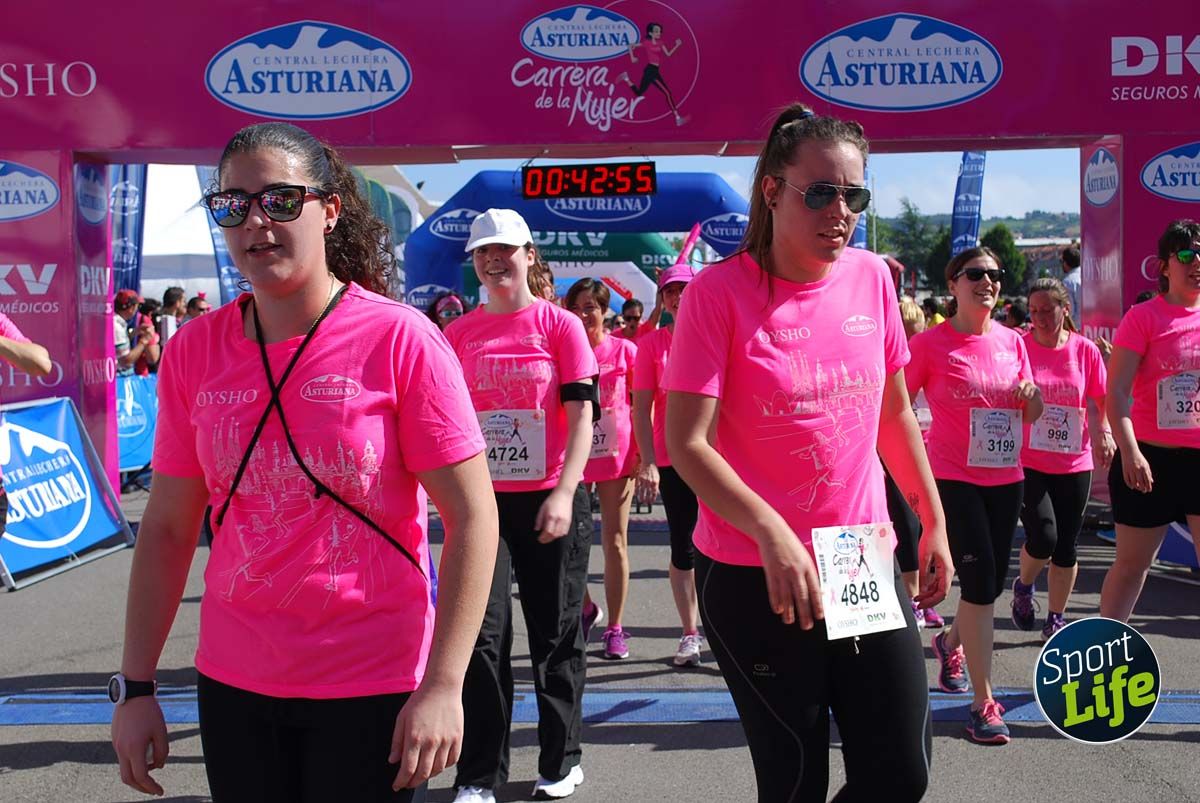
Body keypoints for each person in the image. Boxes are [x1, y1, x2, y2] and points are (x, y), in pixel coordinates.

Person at [110, 121, 498, 802]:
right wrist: (135, 685)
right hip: (234, 682)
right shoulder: (195, 350)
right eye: (232, 205)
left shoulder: (401, 339)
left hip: (372, 682)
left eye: (281, 200)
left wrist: (444, 684)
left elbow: (472, 517)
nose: (256, 221)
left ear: (330, 209)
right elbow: (169, 527)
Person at [664, 104, 953, 802]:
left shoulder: (871, 278)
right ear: (772, 190)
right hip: (751, 568)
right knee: (795, 781)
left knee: (898, 773)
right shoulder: (717, 295)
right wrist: (769, 530)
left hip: (856, 553)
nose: (839, 211)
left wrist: (931, 515)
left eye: (853, 194)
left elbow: (890, 413)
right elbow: (686, 442)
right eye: (819, 192)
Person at [444, 209, 597, 803]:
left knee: (555, 634)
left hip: (553, 499)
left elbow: (584, 416)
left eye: (504, 249)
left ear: (529, 255)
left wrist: (565, 492)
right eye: (483, 252)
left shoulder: (560, 327)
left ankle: (561, 761)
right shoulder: (457, 334)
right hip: (480, 508)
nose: (493, 260)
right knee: (481, 638)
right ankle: (480, 773)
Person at [907, 246, 1043, 745]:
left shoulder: (1013, 341)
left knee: (986, 583)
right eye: (976, 274)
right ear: (953, 284)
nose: (988, 282)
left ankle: (947, 643)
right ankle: (983, 704)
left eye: (995, 275)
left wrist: (1034, 399)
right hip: (952, 478)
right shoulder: (929, 345)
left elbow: (1030, 413)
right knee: (982, 582)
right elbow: (896, 406)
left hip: (1007, 479)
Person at [1100, 219, 1200, 621]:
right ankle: (1104, 652)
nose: (1197, 262)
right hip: (1149, 460)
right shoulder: (1143, 318)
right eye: (1188, 254)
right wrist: (1130, 451)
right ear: (1165, 266)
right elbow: (1118, 392)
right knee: (1131, 567)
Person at [1013, 278, 1112, 640]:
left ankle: (1056, 616)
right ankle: (1023, 586)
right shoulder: (1019, 347)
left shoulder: (1084, 350)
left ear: (1064, 310)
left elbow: (1102, 400)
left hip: (1074, 460)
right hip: (1029, 459)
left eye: (1046, 310)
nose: (1038, 317)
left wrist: (1105, 432)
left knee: (1066, 545)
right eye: (1033, 310)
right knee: (1044, 537)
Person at [632, 264, 706, 668]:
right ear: (662, 299)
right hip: (673, 459)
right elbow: (641, 408)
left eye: (685, 289)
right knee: (685, 547)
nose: (678, 297)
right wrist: (648, 462)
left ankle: (726, 630)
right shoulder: (651, 345)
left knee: (726, 546)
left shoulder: (715, 335)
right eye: (671, 291)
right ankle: (690, 633)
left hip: (720, 459)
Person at [565, 278, 639, 660]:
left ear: (605, 310)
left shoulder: (625, 350)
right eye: (575, 307)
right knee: (570, 544)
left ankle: (615, 628)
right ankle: (587, 608)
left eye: (590, 307)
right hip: (573, 457)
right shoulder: (563, 349)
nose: (582, 315)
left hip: (616, 455)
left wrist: (645, 454)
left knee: (614, 541)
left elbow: (642, 404)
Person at [891, 296, 944, 629]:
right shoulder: (890, 367)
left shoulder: (928, 360)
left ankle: (926, 594)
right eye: (908, 337)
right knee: (908, 530)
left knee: (929, 528)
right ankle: (913, 599)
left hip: (932, 457)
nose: (914, 344)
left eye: (918, 335)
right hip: (897, 459)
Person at [617, 22, 686, 126]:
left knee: (639, 93)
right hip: (650, 71)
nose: (659, 33)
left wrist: (677, 45)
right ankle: (677, 118)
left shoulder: (661, 43)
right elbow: (630, 45)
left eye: (659, 31)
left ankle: (626, 78)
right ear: (650, 33)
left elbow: (668, 54)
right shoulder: (646, 43)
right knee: (667, 93)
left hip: (654, 70)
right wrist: (632, 57)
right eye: (656, 31)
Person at [114, 289, 159, 378]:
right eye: (137, 307)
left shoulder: (116, 323)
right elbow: (126, 361)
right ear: (131, 308)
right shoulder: (116, 326)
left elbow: (118, 345)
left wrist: (135, 332)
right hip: (120, 380)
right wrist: (144, 341)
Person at [1061, 245, 1082, 324]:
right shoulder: (1088, 275)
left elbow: (1070, 311)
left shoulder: (1067, 282)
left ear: (1065, 263)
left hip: (1077, 327)